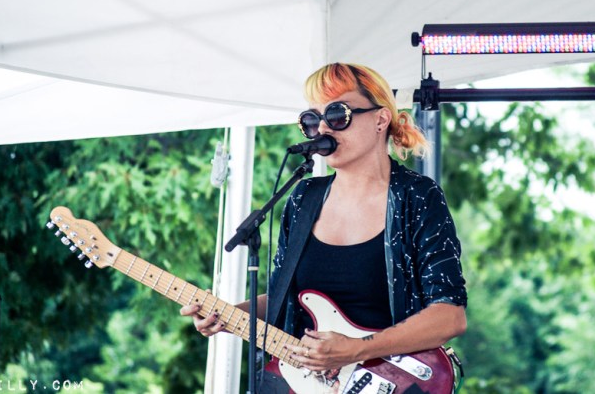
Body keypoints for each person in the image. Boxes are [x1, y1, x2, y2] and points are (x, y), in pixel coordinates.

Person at [181, 62, 467, 378]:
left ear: (380, 119)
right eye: (311, 120)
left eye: (337, 115)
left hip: (394, 382)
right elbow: (283, 301)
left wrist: (358, 349)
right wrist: (228, 315)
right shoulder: (303, 198)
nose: (323, 129)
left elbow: (449, 316)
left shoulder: (417, 196)